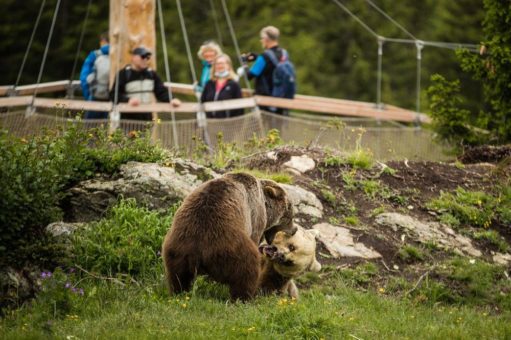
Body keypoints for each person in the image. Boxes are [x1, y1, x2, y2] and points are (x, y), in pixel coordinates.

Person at [110, 46, 180, 121]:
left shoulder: (151, 74)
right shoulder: (123, 74)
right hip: (128, 119)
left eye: (147, 57)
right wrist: (128, 100)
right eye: (142, 57)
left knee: (147, 132)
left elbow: (161, 91)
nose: (145, 60)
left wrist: (171, 99)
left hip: (147, 118)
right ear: (133, 57)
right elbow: (114, 94)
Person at [237, 26, 295, 116]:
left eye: (262, 38)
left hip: (265, 102)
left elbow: (249, 76)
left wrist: (244, 63)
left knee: (265, 129)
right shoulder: (284, 53)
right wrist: (257, 57)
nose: (261, 41)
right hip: (281, 99)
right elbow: (271, 66)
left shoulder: (264, 56)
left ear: (266, 39)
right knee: (278, 129)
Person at [200, 54, 243, 118]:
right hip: (210, 122)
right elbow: (202, 101)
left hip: (229, 123)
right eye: (217, 64)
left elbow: (240, 107)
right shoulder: (209, 84)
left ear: (228, 65)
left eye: (222, 63)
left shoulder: (234, 84)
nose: (219, 65)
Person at [79, 32, 110, 119]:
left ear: (103, 41)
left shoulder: (95, 55)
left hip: (95, 97)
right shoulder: (121, 55)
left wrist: (88, 96)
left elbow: (84, 78)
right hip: (114, 100)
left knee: (91, 129)